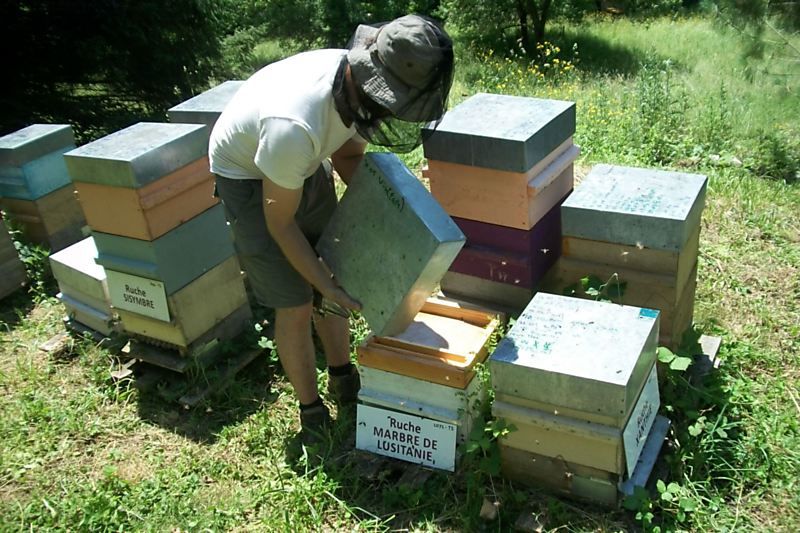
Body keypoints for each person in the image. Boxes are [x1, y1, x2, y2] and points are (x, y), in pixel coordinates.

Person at [208, 14, 454, 444]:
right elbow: (280, 224)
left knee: (332, 278)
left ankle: (342, 374)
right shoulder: (296, 127)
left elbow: (346, 159)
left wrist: (397, 218)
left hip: (298, 160)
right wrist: (326, 282)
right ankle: (311, 409)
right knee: (297, 300)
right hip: (248, 175)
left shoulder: (357, 89)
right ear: (368, 82)